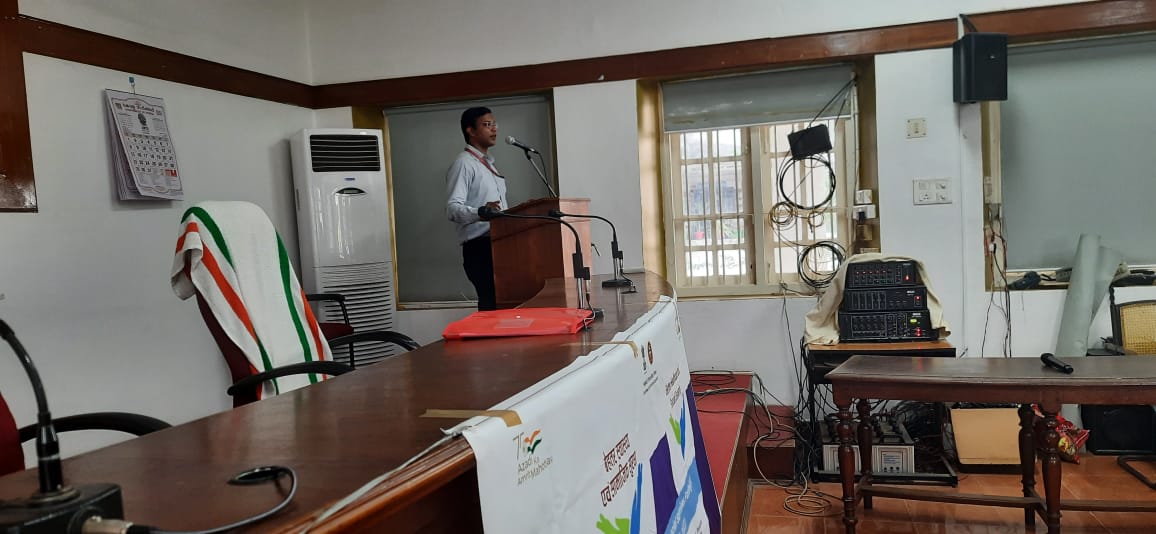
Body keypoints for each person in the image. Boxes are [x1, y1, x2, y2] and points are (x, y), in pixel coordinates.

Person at [446, 107, 507, 311]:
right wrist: (481, 212)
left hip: (499, 244)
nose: (494, 129)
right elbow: (452, 209)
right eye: (487, 125)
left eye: (494, 124)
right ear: (470, 131)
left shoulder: (488, 166)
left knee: (503, 305)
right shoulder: (464, 164)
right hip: (480, 248)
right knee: (491, 305)